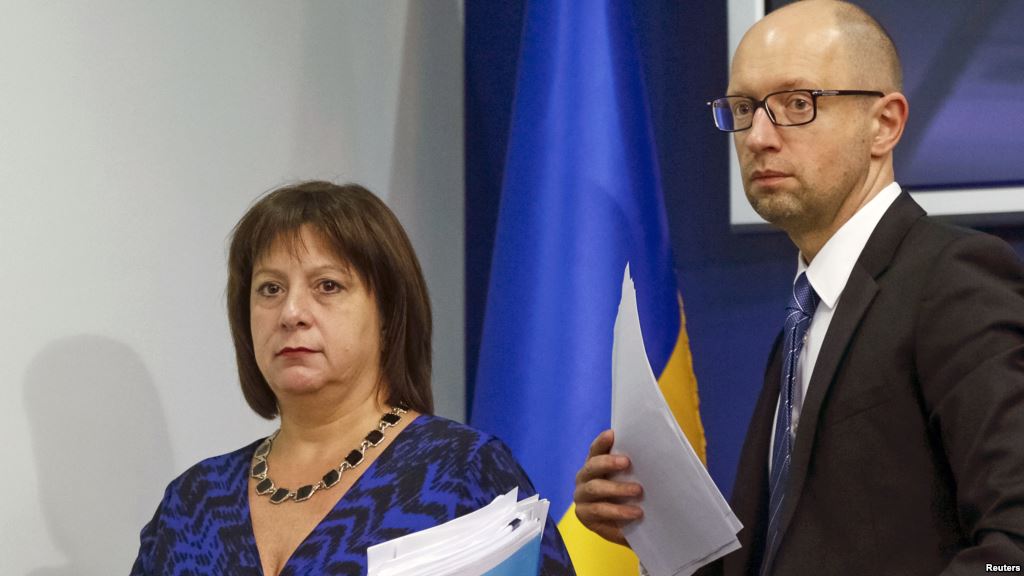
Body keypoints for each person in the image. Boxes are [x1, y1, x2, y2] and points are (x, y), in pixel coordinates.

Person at [574, 1, 1024, 574]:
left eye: (796, 103)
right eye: (742, 107)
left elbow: (1014, 547)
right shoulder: (805, 314)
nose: (758, 136)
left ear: (883, 124)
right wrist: (649, 522)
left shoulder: (954, 278)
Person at [131, 181, 575, 575]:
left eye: (327, 286)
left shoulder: (462, 473)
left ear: (387, 315)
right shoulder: (192, 504)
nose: (291, 313)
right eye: (270, 288)